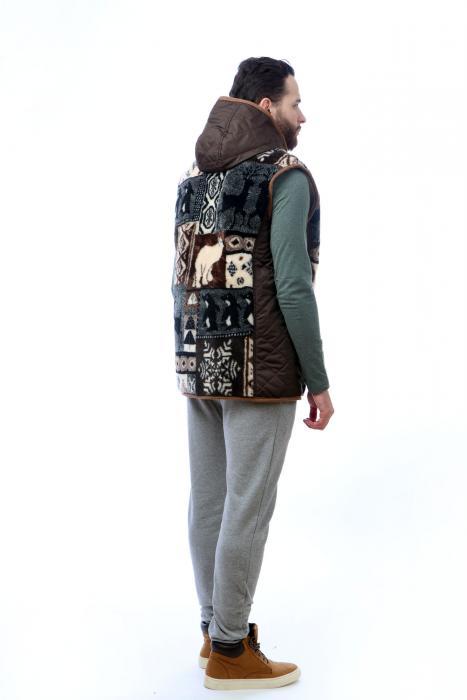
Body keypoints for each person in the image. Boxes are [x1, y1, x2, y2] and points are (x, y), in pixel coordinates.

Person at [171, 56, 335, 690]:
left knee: (209, 503)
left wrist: (190, 356)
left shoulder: (193, 177)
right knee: (247, 508)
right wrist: (317, 378)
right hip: (260, 372)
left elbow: (181, 277)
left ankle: (213, 629)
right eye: (295, 103)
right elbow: (292, 285)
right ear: (267, 107)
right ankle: (231, 650)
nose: (303, 115)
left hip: (198, 360)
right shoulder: (283, 176)